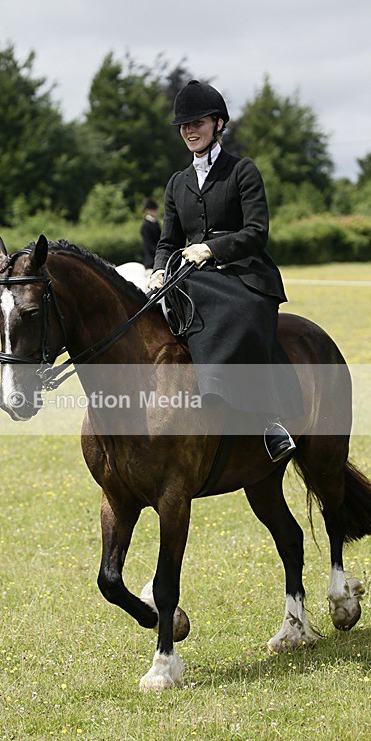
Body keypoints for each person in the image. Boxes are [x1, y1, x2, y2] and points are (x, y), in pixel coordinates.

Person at [147, 80, 296, 462]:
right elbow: (167, 241)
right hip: (191, 276)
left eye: (197, 122)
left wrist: (211, 248)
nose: (190, 131)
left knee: (237, 312)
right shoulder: (177, 183)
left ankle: (270, 420)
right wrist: (159, 270)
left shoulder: (242, 171)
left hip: (244, 273)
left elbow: (256, 232)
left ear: (218, 124)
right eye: (184, 126)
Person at [140, 198, 161, 270]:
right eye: (153, 210)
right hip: (151, 261)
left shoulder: (156, 223)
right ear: (147, 211)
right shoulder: (145, 226)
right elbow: (150, 245)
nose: (155, 212)